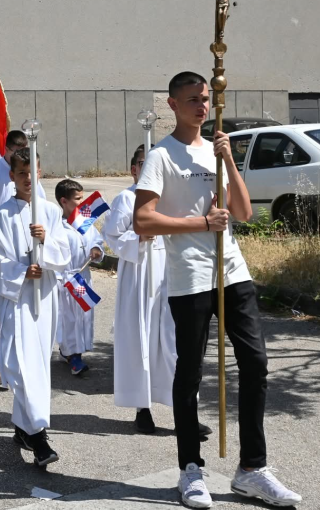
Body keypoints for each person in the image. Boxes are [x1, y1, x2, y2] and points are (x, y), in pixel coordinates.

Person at [134, 71, 301, 510]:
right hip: (189, 275)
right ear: (172, 104)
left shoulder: (215, 150)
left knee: (256, 362)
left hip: (232, 269)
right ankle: (190, 468)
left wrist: (228, 160)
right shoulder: (161, 157)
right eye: (192, 100)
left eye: (205, 99)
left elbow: (243, 213)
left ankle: (252, 469)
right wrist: (201, 223)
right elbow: (143, 221)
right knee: (189, 371)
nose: (201, 107)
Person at [0, 148, 70, 467]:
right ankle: (39, 437)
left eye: (32, 173)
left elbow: (65, 252)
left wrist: (46, 242)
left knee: (37, 364)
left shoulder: (49, 211)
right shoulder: (3, 214)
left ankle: (23, 427)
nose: (27, 179)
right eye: (21, 174)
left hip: (43, 299)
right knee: (20, 363)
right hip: (18, 299)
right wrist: (21, 272)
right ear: (12, 176)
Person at [104, 144, 187, 435]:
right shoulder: (126, 198)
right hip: (140, 270)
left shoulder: (168, 198)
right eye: (142, 163)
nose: (148, 168)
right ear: (134, 169)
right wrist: (139, 236)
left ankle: (184, 411)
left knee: (174, 342)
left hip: (169, 268)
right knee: (143, 338)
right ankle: (143, 408)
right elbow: (112, 236)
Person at [53, 179, 105, 377]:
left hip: (82, 276)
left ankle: (76, 350)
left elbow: (97, 239)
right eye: (78, 199)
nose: (83, 202)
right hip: (66, 279)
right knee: (69, 318)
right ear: (64, 201)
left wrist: (96, 250)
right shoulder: (56, 226)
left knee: (83, 315)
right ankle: (72, 355)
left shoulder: (84, 220)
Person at [0, 130, 46, 231]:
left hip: (27, 226)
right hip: (2, 227)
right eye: (17, 152)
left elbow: (40, 199)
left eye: (24, 150)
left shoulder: (30, 172)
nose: (21, 155)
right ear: (6, 149)